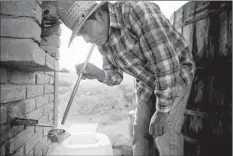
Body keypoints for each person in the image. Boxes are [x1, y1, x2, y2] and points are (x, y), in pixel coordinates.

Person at [53, 1, 196, 156]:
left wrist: (162, 112)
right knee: (140, 135)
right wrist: (99, 74)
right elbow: (115, 77)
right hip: (146, 83)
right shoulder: (103, 40)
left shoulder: (136, 11)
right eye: (82, 36)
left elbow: (166, 64)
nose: (87, 40)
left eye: (85, 30)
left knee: (164, 136)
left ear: (100, 14)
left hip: (174, 75)